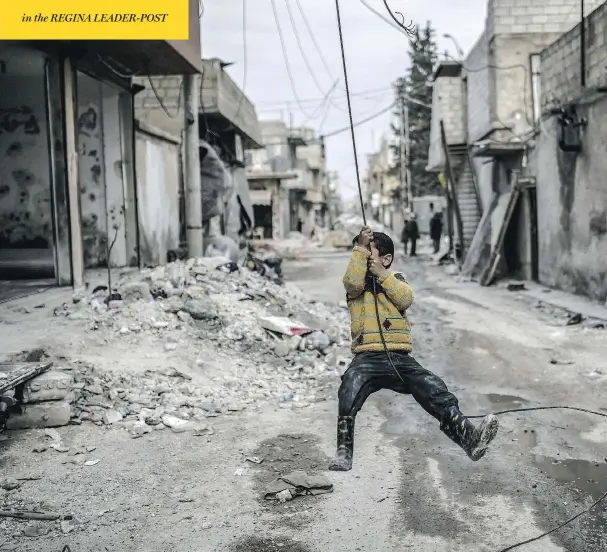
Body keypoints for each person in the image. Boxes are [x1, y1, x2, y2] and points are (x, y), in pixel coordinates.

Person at [328, 226, 499, 471]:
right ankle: (344, 452)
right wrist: (361, 248)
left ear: (386, 260)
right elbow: (351, 282)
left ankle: (469, 438)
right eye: (359, 253)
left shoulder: (395, 280)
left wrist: (383, 276)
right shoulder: (356, 286)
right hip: (367, 356)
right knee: (349, 386)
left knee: (433, 386)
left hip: (398, 357)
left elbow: (405, 298)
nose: (363, 258)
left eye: (369, 254)